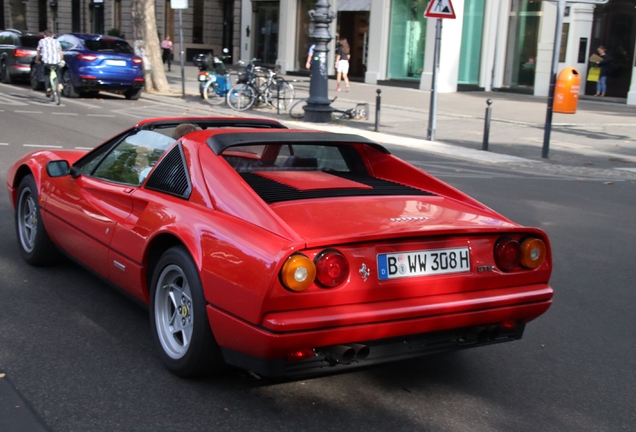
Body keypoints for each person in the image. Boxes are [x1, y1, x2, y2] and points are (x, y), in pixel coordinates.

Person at [35, 29, 63, 98]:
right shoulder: (56, 41)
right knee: (58, 71)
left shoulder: (41, 41)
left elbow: (38, 52)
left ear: (44, 36)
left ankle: (48, 88)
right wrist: (62, 60)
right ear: (52, 36)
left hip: (47, 62)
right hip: (56, 61)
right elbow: (60, 52)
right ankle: (60, 84)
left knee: (46, 74)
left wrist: (37, 60)